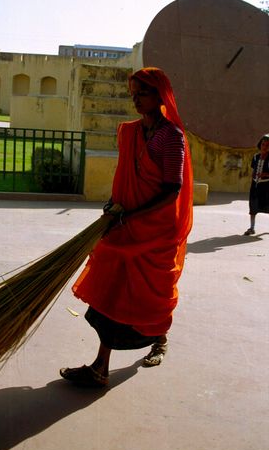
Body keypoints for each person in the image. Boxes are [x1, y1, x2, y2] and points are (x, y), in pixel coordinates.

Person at [60, 67, 193, 387]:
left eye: (141, 93)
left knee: (151, 295)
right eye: (132, 94)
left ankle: (158, 338)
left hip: (155, 232)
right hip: (123, 225)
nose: (135, 99)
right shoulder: (131, 132)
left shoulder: (171, 137)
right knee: (113, 291)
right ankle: (100, 367)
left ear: (159, 96)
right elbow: (125, 176)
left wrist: (131, 215)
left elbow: (171, 190)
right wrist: (113, 204)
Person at [244, 133, 269, 235]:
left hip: (268, 186)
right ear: (260, 145)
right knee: (253, 206)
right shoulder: (256, 157)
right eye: (263, 144)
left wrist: (265, 174)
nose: (264, 147)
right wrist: (254, 178)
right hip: (256, 185)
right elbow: (254, 169)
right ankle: (252, 228)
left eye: (267, 145)